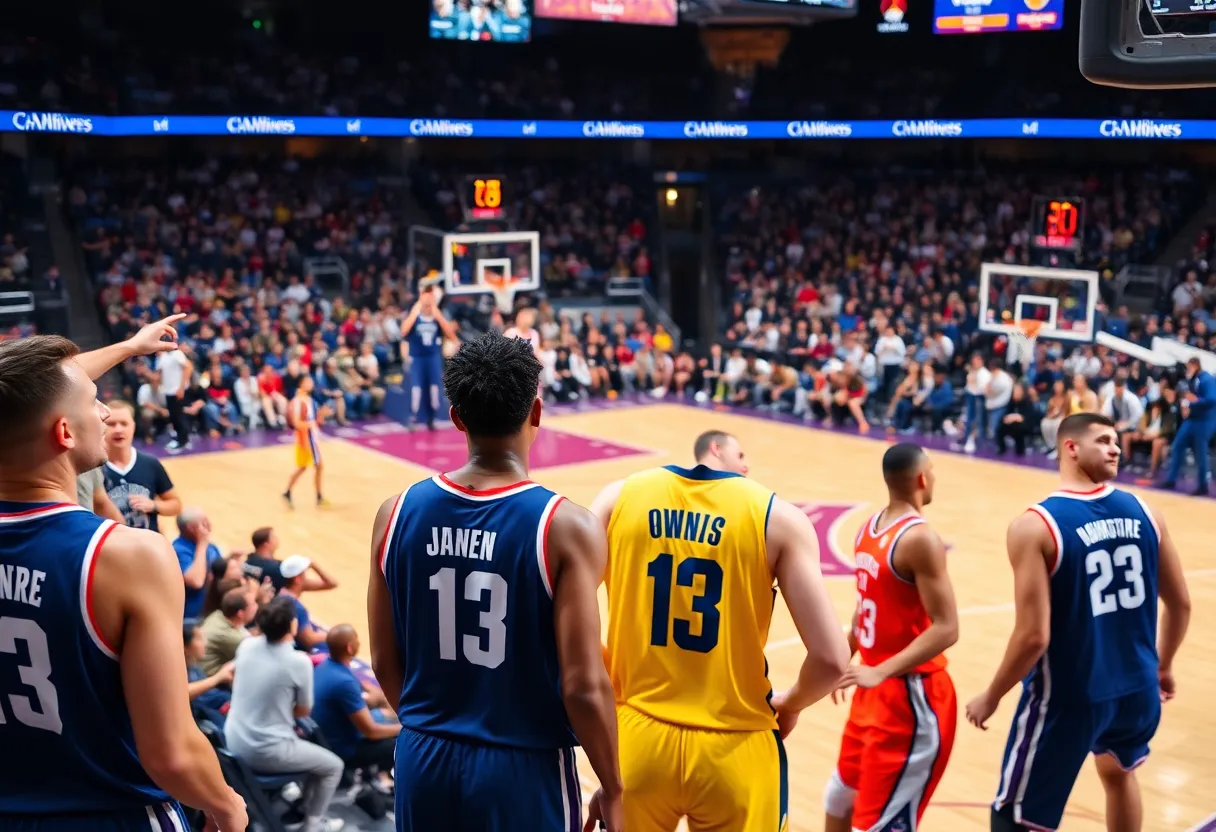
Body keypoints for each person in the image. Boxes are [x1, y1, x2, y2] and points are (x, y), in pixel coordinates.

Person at [367, 333, 623, 832]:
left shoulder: (393, 514)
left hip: (423, 755)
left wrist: (436, 727)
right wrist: (613, 787)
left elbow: (383, 660)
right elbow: (584, 687)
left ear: (456, 417)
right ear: (537, 410)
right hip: (523, 765)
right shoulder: (566, 527)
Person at [0, 328, 247, 831]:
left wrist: (131, 348)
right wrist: (226, 805)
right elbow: (171, 753)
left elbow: (30, 394)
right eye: (95, 403)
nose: (108, 414)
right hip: (112, 813)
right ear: (65, 433)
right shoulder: (128, 555)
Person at [588, 430, 850, 832]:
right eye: (740, 453)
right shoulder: (777, 517)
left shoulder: (617, 498)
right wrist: (792, 703)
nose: (746, 464)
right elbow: (832, 660)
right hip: (736, 743)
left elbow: (557, 615)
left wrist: (610, 683)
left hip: (636, 738)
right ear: (715, 449)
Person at [965, 413, 1192, 832]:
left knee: (1015, 816)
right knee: (1120, 774)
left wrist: (992, 695)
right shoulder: (1147, 512)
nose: (1116, 448)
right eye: (1104, 440)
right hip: (1137, 689)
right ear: (1070, 447)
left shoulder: (1035, 525)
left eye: (1117, 441)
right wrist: (1163, 667)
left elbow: (1034, 636)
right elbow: (1180, 605)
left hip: (1071, 696)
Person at [824, 443, 959, 832]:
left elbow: (945, 628)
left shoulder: (872, 529)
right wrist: (844, 657)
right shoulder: (915, 538)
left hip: (909, 692)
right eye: (932, 470)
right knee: (839, 796)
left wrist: (876, 668)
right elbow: (872, 605)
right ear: (921, 479)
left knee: (877, 824)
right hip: (888, 689)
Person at [225, 596, 345, 832]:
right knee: (333, 766)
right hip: (264, 750)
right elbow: (303, 711)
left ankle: (301, 800)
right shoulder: (298, 661)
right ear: (292, 625)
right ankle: (312, 825)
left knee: (310, 749)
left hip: (233, 739)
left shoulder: (247, 645)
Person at [313, 625, 401, 777]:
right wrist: (402, 729)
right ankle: (382, 779)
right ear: (349, 648)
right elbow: (371, 732)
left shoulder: (325, 666)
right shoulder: (344, 683)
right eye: (357, 640)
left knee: (388, 716)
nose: (359, 643)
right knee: (397, 742)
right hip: (343, 750)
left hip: (326, 737)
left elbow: (365, 692)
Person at [102, 401, 181, 532]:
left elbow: (176, 505)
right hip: (113, 547)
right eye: (111, 424)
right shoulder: (93, 469)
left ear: (133, 427)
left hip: (149, 546)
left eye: (124, 423)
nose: (118, 429)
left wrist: (154, 505)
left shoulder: (151, 463)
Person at [401, 287, 457, 431]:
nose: (427, 301)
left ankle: (431, 418)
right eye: (425, 298)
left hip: (432, 357)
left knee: (434, 389)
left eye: (430, 298)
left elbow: (450, 333)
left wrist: (437, 314)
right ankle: (412, 418)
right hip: (417, 357)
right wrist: (415, 310)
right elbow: (403, 331)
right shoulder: (415, 316)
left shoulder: (438, 317)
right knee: (416, 389)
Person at [1160, 357, 1215, 496]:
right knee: (1178, 445)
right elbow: (1187, 397)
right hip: (1192, 419)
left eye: (1189, 367)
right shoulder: (1192, 380)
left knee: (1200, 453)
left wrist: (1193, 402)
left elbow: (1212, 398)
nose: (1187, 370)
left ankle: (1203, 485)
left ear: (1195, 365)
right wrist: (1186, 404)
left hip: (1204, 421)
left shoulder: (1206, 379)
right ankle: (1171, 479)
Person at [284, 375, 325, 507]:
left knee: (307, 467)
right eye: (308, 381)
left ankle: (288, 492)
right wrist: (312, 423)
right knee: (315, 466)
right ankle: (318, 497)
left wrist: (322, 416)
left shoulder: (310, 400)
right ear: (301, 384)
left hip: (312, 437)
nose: (311, 383)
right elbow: (296, 423)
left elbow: (315, 420)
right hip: (306, 439)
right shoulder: (297, 401)